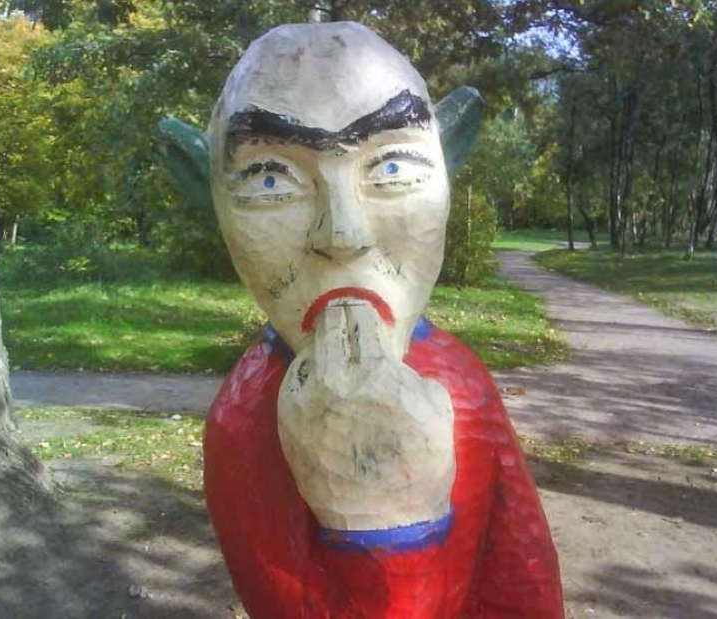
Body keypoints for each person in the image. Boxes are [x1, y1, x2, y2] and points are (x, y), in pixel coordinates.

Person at [202, 21, 564, 619]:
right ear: (211, 195)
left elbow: (525, 570)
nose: (343, 234)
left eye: (392, 168)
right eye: (271, 178)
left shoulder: (458, 372)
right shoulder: (246, 421)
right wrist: (386, 524)